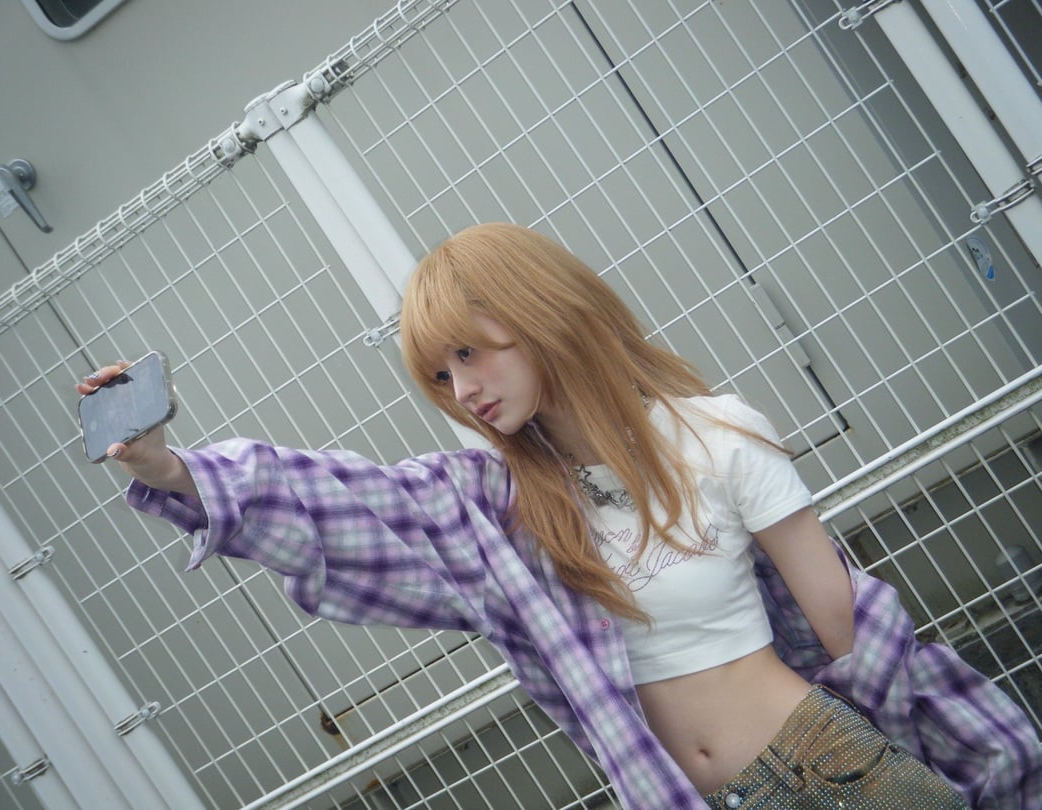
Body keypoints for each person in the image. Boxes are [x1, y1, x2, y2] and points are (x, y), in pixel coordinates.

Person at [78, 223, 1040, 809]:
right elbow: (347, 503)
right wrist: (172, 468)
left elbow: (846, 627)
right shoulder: (496, 506)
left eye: (471, 352)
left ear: (542, 313)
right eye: (440, 375)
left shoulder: (714, 434)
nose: (463, 389)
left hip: (827, 768)